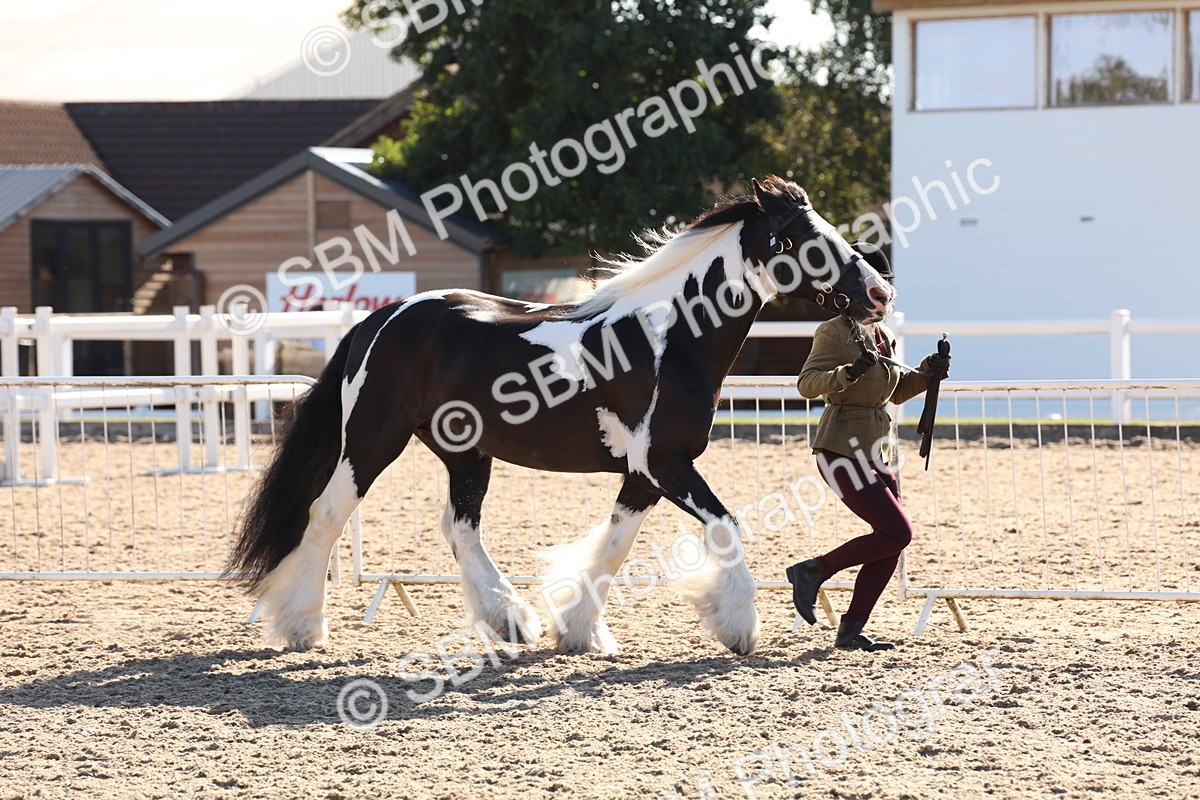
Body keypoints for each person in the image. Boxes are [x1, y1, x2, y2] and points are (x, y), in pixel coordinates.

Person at [785, 244, 949, 652]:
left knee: (892, 539)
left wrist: (928, 373)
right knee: (898, 532)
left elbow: (893, 393)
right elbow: (807, 383)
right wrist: (847, 373)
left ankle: (851, 628)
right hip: (840, 448)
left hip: (878, 450)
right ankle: (812, 571)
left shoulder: (884, 334)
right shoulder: (833, 331)